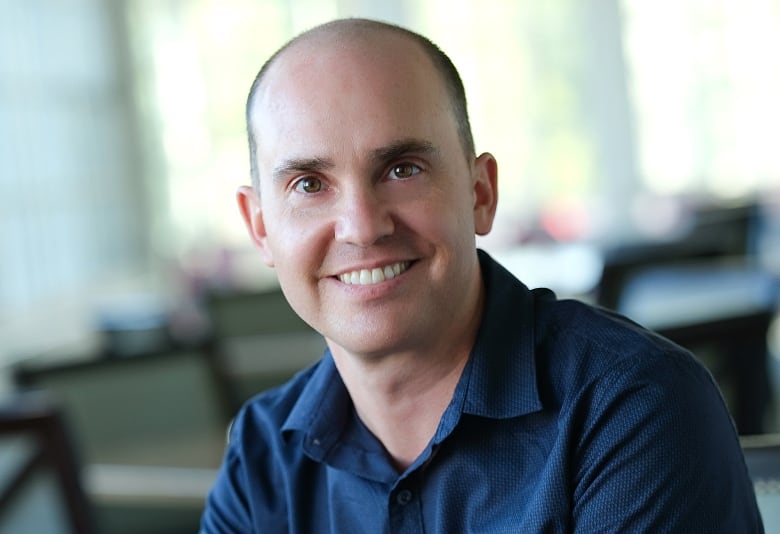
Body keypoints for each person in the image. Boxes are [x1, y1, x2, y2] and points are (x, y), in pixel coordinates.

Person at [201, 18, 763, 533]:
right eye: (308, 184)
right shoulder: (262, 455)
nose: (362, 227)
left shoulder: (633, 406)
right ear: (260, 228)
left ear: (480, 194)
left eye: (402, 169)